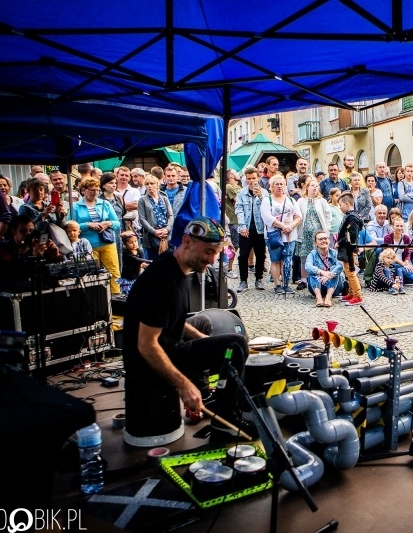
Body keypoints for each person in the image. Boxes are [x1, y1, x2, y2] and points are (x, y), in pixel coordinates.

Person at [122, 217, 252, 440]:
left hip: (169, 344)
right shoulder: (163, 280)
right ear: (187, 241)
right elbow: (146, 345)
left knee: (209, 329)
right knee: (236, 345)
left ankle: (217, 397)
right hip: (148, 361)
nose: (212, 260)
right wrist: (184, 385)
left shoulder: (175, 266)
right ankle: (227, 419)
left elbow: (170, 318)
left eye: (216, 253)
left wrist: (202, 339)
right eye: (208, 251)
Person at [73, 177, 121, 294]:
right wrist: (87, 225)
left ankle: (115, 296)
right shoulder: (76, 206)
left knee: (113, 271)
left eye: (97, 190)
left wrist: (108, 223)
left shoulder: (105, 204)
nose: (95, 193)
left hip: (107, 243)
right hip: (88, 246)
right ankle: (97, 298)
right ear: (83, 190)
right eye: (92, 190)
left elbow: (117, 223)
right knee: (91, 274)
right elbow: (71, 226)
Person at [261, 175, 302, 295]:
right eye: (277, 184)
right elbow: (267, 217)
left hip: (290, 235)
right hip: (274, 235)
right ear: (271, 186)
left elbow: (298, 216)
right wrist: (283, 226)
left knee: (287, 260)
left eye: (281, 184)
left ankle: (286, 284)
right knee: (275, 260)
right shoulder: (267, 200)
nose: (279, 186)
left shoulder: (291, 200)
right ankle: (277, 284)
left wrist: (291, 226)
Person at [235, 165, 269, 293]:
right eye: (248, 178)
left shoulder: (264, 192)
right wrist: (242, 226)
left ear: (258, 178)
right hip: (246, 228)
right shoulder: (241, 193)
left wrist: (261, 197)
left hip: (260, 229)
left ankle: (258, 278)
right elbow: (239, 209)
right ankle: (243, 281)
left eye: (253, 178)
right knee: (243, 255)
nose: (251, 181)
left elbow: (268, 209)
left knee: (261, 255)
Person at [296, 176, 332, 290]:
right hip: (305, 234)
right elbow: (297, 215)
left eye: (316, 186)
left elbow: (328, 216)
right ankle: (304, 280)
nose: (315, 188)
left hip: (318, 233)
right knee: (304, 258)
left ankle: (318, 279)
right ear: (307, 187)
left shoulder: (322, 201)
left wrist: (327, 230)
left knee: (319, 256)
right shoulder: (301, 201)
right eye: (312, 185)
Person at [335, 192, 364, 305]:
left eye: (341, 205)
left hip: (349, 249)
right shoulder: (350, 216)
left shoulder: (352, 218)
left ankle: (358, 296)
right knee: (348, 272)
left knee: (351, 273)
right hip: (347, 248)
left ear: (347, 203)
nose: (340, 207)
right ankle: (351, 293)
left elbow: (352, 235)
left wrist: (339, 242)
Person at [137, 175, 174, 260]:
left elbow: (170, 215)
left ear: (157, 185)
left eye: (152, 183)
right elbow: (142, 219)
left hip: (166, 234)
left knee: (168, 261)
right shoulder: (142, 200)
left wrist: (167, 229)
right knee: (153, 261)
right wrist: (154, 232)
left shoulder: (164, 198)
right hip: (151, 236)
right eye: (147, 184)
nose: (149, 186)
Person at [304, 230, 344, 307]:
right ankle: (318, 297)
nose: (323, 241)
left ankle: (328, 298)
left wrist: (328, 275)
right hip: (317, 285)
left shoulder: (335, 253)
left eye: (325, 238)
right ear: (315, 243)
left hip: (335, 287)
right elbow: (307, 266)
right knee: (312, 270)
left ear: (329, 241)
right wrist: (321, 272)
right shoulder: (312, 254)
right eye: (320, 239)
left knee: (334, 269)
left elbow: (340, 266)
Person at [384, 216, 413, 290]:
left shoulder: (406, 238)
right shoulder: (387, 238)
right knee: (401, 269)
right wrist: (403, 264)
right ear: (393, 227)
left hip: (403, 264)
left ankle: (403, 277)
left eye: (401, 226)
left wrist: (406, 262)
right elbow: (390, 255)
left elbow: (408, 253)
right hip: (392, 263)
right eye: (397, 226)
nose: (399, 228)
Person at [118, 231, 148, 296]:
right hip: (127, 278)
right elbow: (137, 260)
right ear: (125, 244)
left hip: (136, 277)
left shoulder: (140, 251)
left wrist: (143, 265)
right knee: (128, 295)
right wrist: (151, 261)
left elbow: (142, 262)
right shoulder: (126, 252)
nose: (134, 244)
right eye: (131, 243)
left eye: (135, 241)